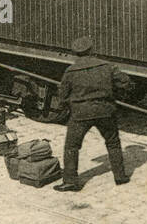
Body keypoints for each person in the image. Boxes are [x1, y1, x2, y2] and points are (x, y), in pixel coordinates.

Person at [54, 36, 132, 192]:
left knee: (72, 146)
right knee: (113, 143)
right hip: (106, 110)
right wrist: (113, 94)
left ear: (75, 53)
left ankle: (70, 181)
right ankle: (120, 176)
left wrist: (64, 107)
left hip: (80, 114)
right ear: (92, 50)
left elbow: (62, 96)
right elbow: (126, 82)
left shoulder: (71, 71)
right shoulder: (107, 66)